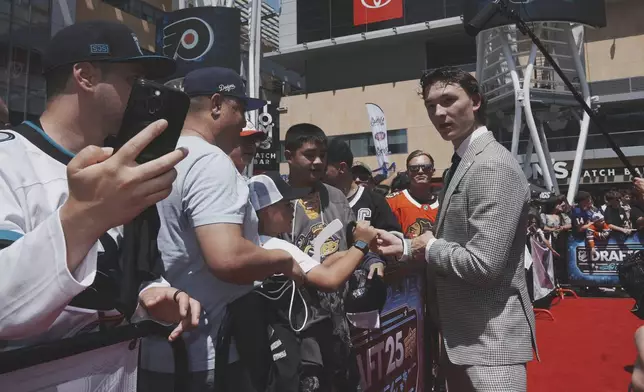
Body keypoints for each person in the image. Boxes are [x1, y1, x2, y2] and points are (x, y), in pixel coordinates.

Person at [0, 20, 200, 385]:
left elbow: (123, 275)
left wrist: (148, 294)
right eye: (133, 80)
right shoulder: (7, 160)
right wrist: (87, 216)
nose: (144, 92)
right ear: (86, 75)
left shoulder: (122, 168)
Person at [138, 67, 305, 392]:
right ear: (216, 104)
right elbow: (227, 258)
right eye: (240, 108)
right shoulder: (210, 162)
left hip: (158, 351)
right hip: (208, 354)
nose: (245, 120)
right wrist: (281, 261)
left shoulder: (157, 156)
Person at [375, 67, 536, 391]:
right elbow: (454, 241)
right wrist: (407, 247)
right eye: (431, 105)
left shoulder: (490, 165)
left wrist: (427, 247)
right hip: (462, 340)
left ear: (475, 101)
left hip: (490, 345)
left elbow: (484, 264)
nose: (438, 112)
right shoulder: (463, 162)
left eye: (449, 100)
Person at [282, 123, 363, 391]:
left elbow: (357, 242)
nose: (317, 161)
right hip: (299, 325)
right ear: (289, 155)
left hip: (338, 323)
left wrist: (372, 263)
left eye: (322, 155)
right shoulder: (276, 202)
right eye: (309, 154)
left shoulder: (337, 197)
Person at [324, 138, 401, 236]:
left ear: (342, 168)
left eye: (323, 167)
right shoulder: (314, 201)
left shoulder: (375, 201)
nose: (316, 171)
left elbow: (394, 240)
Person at [386, 150, 440, 238]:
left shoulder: (444, 202)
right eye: (414, 168)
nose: (420, 171)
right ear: (407, 173)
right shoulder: (392, 201)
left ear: (433, 171)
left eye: (426, 167)